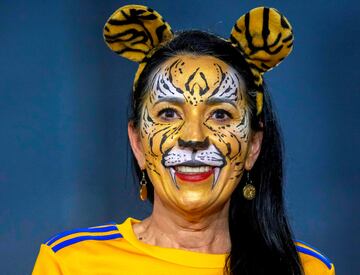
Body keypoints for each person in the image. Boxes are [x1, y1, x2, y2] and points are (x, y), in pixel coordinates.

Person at [32, 5, 335, 275]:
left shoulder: (308, 270)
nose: (193, 137)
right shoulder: (70, 263)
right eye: (168, 114)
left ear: (253, 146)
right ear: (137, 143)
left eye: (219, 115)